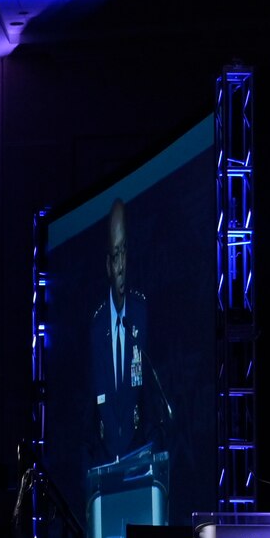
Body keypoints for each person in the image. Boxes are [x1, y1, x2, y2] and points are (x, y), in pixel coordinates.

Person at [87, 198, 170, 468]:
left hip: (140, 456)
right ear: (108, 265)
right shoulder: (96, 326)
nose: (121, 266)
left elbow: (152, 395)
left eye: (124, 252)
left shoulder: (142, 312)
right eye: (115, 255)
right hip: (105, 459)